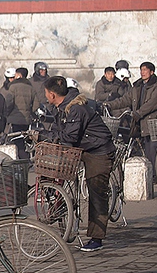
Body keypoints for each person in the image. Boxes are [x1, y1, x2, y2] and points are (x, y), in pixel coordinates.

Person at [37, 76, 116, 252]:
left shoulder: (76, 109)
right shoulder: (60, 107)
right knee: (55, 170)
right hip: (81, 149)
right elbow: (58, 132)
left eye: (45, 93)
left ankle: (97, 238)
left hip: (98, 151)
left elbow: (69, 137)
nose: (45, 96)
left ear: (52, 94)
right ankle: (62, 206)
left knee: (96, 193)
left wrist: (45, 136)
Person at [107, 62, 157, 175]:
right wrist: (109, 104)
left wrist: (138, 113)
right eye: (141, 70)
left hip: (152, 122)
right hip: (138, 122)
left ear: (152, 72)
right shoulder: (137, 86)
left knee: (151, 149)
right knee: (134, 148)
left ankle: (156, 174)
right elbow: (125, 99)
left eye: (145, 70)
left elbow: (153, 103)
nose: (142, 72)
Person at [6, 67, 39, 158]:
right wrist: (30, 112)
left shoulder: (13, 87)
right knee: (24, 138)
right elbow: (36, 104)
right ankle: (26, 157)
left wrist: (7, 114)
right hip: (26, 119)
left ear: (19, 75)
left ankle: (21, 160)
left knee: (16, 139)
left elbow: (9, 103)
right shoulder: (30, 88)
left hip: (15, 119)